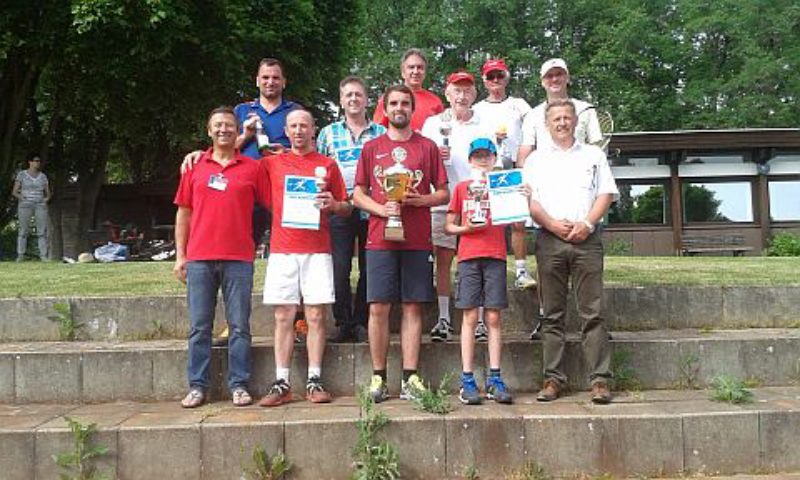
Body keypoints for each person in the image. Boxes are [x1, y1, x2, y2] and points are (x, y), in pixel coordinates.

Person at [353, 84, 449, 403]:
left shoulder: (428, 147)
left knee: (413, 305)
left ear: (412, 108)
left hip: (417, 238)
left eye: (405, 103)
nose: (399, 108)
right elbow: (358, 193)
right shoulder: (372, 148)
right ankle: (378, 377)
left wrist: (420, 200)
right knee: (379, 306)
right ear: (385, 108)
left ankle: (410, 377)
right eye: (393, 103)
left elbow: (444, 193)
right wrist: (382, 209)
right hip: (380, 237)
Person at [173, 106, 271, 408]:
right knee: (199, 327)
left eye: (229, 125)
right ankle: (197, 386)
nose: (223, 130)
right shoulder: (194, 166)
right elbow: (184, 213)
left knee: (240, 325)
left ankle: (239, 384)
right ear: (208, 130)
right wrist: (181, 256)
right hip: (200, 257)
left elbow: (273, 206)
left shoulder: (252, 168)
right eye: (217, 125)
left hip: (239, 257)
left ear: (238, 130)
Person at [522, 99, 618, 404]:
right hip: (548, 240)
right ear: (547, 125)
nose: (562, 123)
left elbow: (606, 193)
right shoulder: (534, 160)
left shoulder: (593, 155)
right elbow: (530, 202)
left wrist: (588, 224)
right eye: (556, 119)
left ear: (575, 122)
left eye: (567, 118)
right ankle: (553, 379)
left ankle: (600, 380)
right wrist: (551, 224)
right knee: (552, 315)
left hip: (587, 239)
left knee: (593, 312)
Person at [258, 108, 350, 407]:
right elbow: (238, 167)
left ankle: (314, 379)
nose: (299, 131)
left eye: (304, 126)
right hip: (283, 249)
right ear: (286, 130)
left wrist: (334, 204)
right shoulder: (271, 164)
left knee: (315, 316)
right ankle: (282, 380)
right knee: (284, 315)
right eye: (293, 126)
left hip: (317, 249)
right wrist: (196, 154)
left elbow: (346, 206)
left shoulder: (328, 164)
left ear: (314, 130)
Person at [518, 57, 603, 340]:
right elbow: (524, 154)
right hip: (547, 208)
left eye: (559, 75)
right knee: (549, 284)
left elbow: (596, 152)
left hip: (582, 210)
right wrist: (525, 188)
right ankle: (546, 320)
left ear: (567, 77)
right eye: (549, 76)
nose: (554, 80)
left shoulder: (587, 110)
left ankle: (594, 335)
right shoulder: (532, 116)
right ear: (542, 81)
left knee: (591, 296)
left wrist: (588, 220)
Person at [421, 71, 493, 344]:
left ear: (474, 94)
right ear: (447, 94)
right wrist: (435, 160)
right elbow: (421, 163)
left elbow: (493, 162)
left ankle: (481, 321)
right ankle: (444, 318)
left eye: (467, 90)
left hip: (477, 200)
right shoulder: (431, 124)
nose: (462, 96)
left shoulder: (483, 124)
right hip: (442, 200)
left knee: (479, 261)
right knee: (443, 259)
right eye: (456, 90)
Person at [445, 138, 516, 405]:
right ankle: (467, 379)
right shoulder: (462, 188)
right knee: (470, 316)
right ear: (470, 160)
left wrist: (521, 195)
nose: (482, 160)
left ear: (495, 158)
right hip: (468, 256)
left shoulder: (502, 186)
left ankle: (495, 377)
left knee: (494, 317)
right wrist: (467, 229)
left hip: (496, 254)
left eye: (487, 156)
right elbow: (449, 226)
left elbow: (516, 219)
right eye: (477, 156)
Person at [317, 76, 386, 343]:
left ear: (367, 100)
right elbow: (319, 168)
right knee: (339, 266)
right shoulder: (327, 134)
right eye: (348, 95)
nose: (354, 99)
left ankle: (361, 321)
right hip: (340, 208)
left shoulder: (381, 133)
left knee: (370, 267)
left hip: (373, 209)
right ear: (341, 100)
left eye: (358, 95)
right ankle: (342, 321)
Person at [472, 59, 536, 289]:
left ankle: (521, 271)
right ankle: (477, 272)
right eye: (491, 76)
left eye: (499, 75)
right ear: (484, 80)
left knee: (518, 223)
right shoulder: (477, 109)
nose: (495, 81)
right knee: (481, 220)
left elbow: (534, 131)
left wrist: (524, 162)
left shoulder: (520, 105)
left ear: (506, 77)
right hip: (486, 169)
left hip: (513, 168)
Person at [373, 48, 444, 132]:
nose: (416, 71)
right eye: (411, 67)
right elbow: (377, 131)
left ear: (425, 72)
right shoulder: (389, 98)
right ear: (403, 72)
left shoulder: (435, 102)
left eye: (420, 67)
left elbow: (441, 132)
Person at [13, 153, 51, 261]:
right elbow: (14, 191)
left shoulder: (43, 176)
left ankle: (43, 256)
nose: (38, 163)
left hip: (40, 204)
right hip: (25, 205)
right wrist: (23, 198)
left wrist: (45, 200)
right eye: (36, 160)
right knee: (23, 230)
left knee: (42, 231)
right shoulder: (22, 174)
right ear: (30, 162)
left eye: (39, 161)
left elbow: (48, 193)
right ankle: (20, 255)